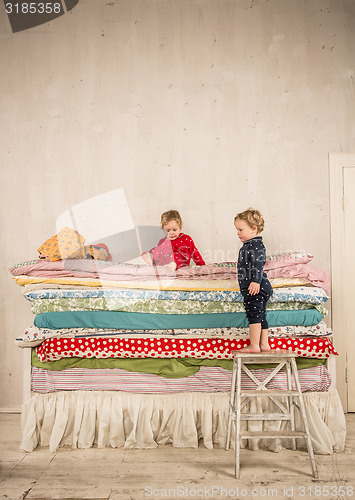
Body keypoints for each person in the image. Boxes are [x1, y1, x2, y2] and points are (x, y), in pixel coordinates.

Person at [234, 208, 273, 352]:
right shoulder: (250, 245)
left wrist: (255, 281)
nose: (237, 233)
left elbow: (259, 263)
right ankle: (264, 344)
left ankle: (254, 345)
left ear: (253, 229)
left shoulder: (254, 245)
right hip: (259, 286)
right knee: (261, 314)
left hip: (255, 287)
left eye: (240, 229)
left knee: (254, 315)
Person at [141, 210, 205, 274]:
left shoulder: (186, 239)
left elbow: (194, 252)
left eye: (174, 230)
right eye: (167, 231)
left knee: (176, 254)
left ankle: (172, 266)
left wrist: (202, 265)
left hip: (180, 262)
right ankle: (150, 258)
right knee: (156, 249)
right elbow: (159, 254)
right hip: (165, 262)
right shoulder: (163, 241)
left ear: (180, 227)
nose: (171, 233)